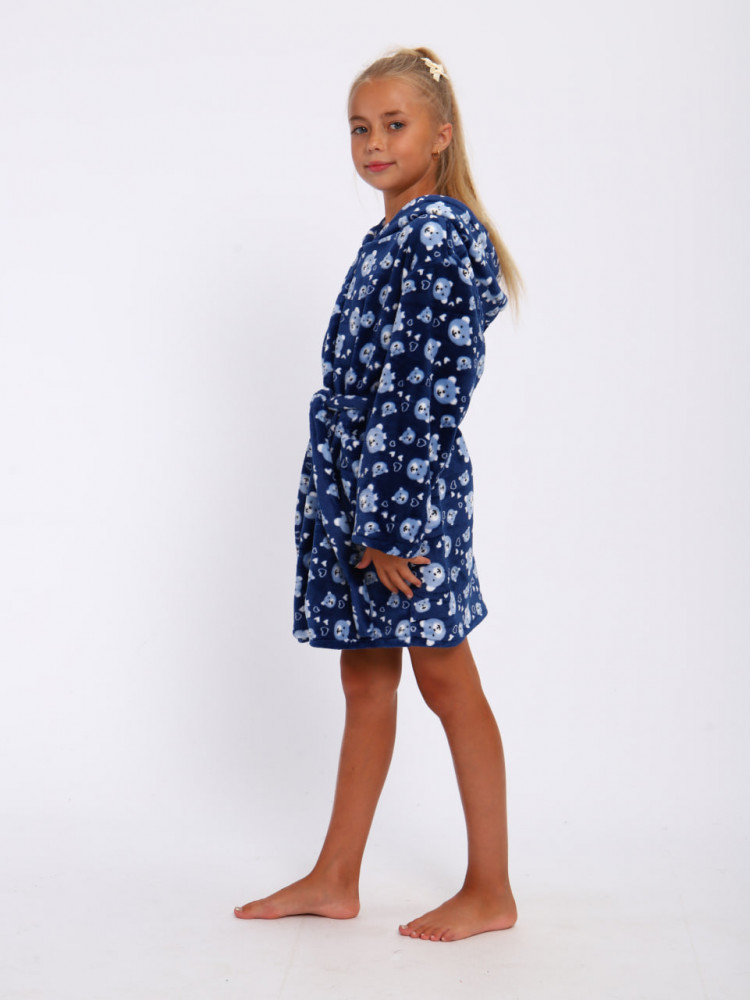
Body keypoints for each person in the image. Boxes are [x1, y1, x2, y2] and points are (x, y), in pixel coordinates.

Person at [235, 46, 521, 942]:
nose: (374, 143)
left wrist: (388, 526)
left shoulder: (435, 235)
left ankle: (491, 889)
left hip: (404, 497)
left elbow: (420, 389)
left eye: (395, 125)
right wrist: (352, 508)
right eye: (360, 128)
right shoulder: (394, 234)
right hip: (360, 490)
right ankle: (336, 876)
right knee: (366, 675)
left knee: (445, 675)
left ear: (441, 134)